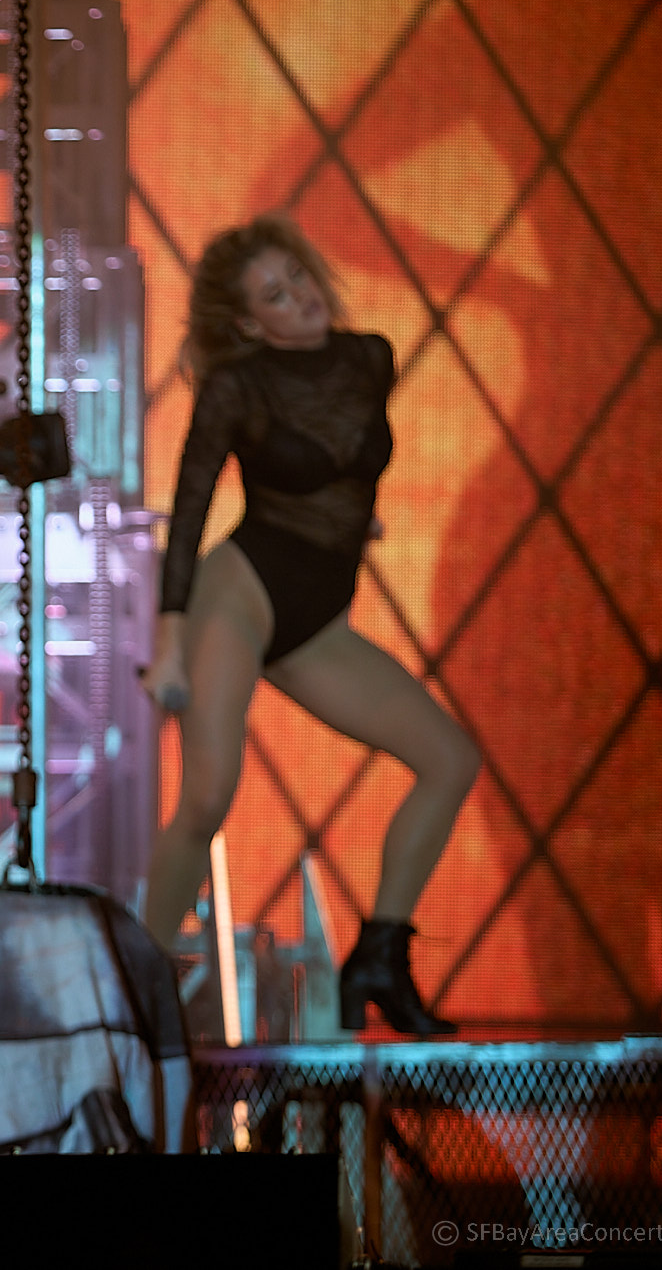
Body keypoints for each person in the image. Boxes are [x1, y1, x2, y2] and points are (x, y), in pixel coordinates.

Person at [138, 215, 480, 1037]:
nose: (303, 299)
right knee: (210, 794)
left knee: (449, 758)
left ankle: (381, 953)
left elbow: (344, 457)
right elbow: (189, 508)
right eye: (276, 296)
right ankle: (138, 980)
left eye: (300, 277)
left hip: (318, 614)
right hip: (241, 591)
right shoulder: (237, 388)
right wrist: (171, 633)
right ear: (250, 324)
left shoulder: (370, 357)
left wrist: (352, 521)